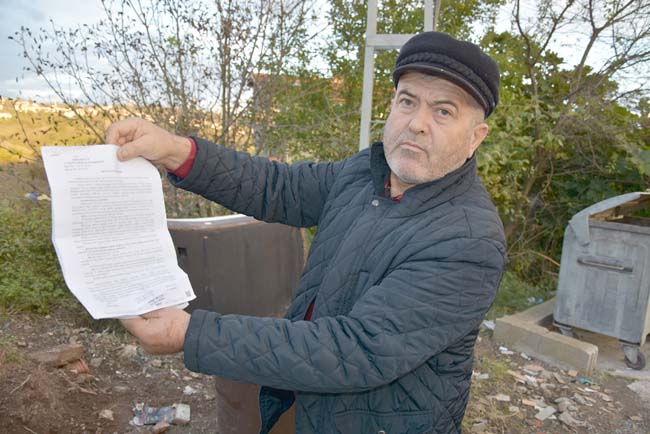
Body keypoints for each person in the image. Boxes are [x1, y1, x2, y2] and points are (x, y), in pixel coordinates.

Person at [110, 31, 506, 434]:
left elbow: (354, 350)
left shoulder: (469, 241)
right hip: (307, 400)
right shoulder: (365, 174)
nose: (417, 123)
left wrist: (190, 333)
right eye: (408, 101)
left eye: (443, 111)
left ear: (475, 138)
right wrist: (175, 151)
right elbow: (277, 187)